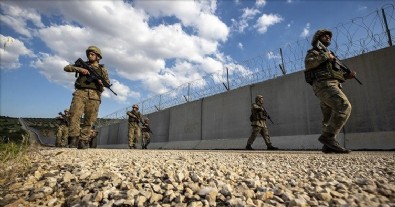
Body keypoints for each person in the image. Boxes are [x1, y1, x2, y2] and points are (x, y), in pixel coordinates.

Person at [304, 29, 355, 153]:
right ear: (318, 38)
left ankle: (328, 146)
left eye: (329, 36)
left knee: (328, 116)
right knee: (344, 106)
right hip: (324, 84)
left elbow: (333, 73)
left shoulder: (330, 54)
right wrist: (326, 56)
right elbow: (308, 64)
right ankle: (328, 137)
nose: (328, 37)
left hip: (332, 84)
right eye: (325, 35)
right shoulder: (314, 52)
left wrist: (346, 76)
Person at [64, 46, 110, 149]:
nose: (90, 55)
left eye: (92, 54)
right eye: (88, 54)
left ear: (98, 56)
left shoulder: (102, 69)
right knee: (74, 115)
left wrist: (101, 82)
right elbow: (66, 68)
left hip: (95, 95)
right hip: (80, 92)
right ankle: (73, 139)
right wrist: (80, 69)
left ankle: (84, 140)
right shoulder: (83, 65)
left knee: (90, 119)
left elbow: (107, 82)